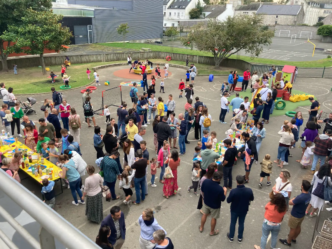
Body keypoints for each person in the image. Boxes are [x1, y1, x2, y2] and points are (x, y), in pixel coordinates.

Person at [279, 180, 311, 246]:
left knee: (292, 229)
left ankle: (288, 241)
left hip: (295, 215)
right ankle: (294, 238)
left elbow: (290, 202)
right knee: (298, 226)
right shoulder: (309, 195)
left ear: (302, 186)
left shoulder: (300, 197)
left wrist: (294, 198)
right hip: (302, 214)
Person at [226, 175, 254, 243]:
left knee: (233, 223)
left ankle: (231, 237)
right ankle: (240, 237)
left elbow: (228, 200)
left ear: (237, 182)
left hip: (234, 209)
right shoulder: (249, 190)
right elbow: (252, 198)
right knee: (241, 223)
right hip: (244, 209)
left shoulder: (233, 191)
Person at [199, 171, 227, 235]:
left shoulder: (205, 181)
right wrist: (225, 191)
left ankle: (201, 227)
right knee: (213, 218)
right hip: (215, 205)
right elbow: (223, 199)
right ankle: (212, 231)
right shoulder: (220, 189)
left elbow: (202, 191)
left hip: (206, 202)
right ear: (219, 179)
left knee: (204, 214)